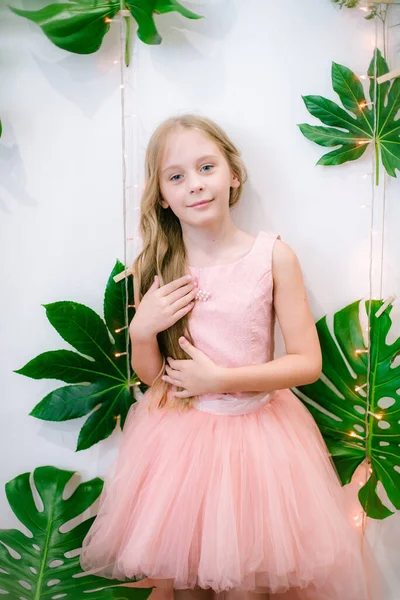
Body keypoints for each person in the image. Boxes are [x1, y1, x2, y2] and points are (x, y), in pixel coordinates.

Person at [80, 114, 383, 600]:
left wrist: (220, 377)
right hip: (181, 443)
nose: (195, 185)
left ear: (233, 174)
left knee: (248, 586)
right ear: (161, 195)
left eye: (206, 168)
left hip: (259, 441)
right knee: (187, 584)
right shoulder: (154, 266)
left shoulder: (273, 257)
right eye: (176, 176)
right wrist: (141, 331)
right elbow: (155, 376)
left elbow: (307, 363)